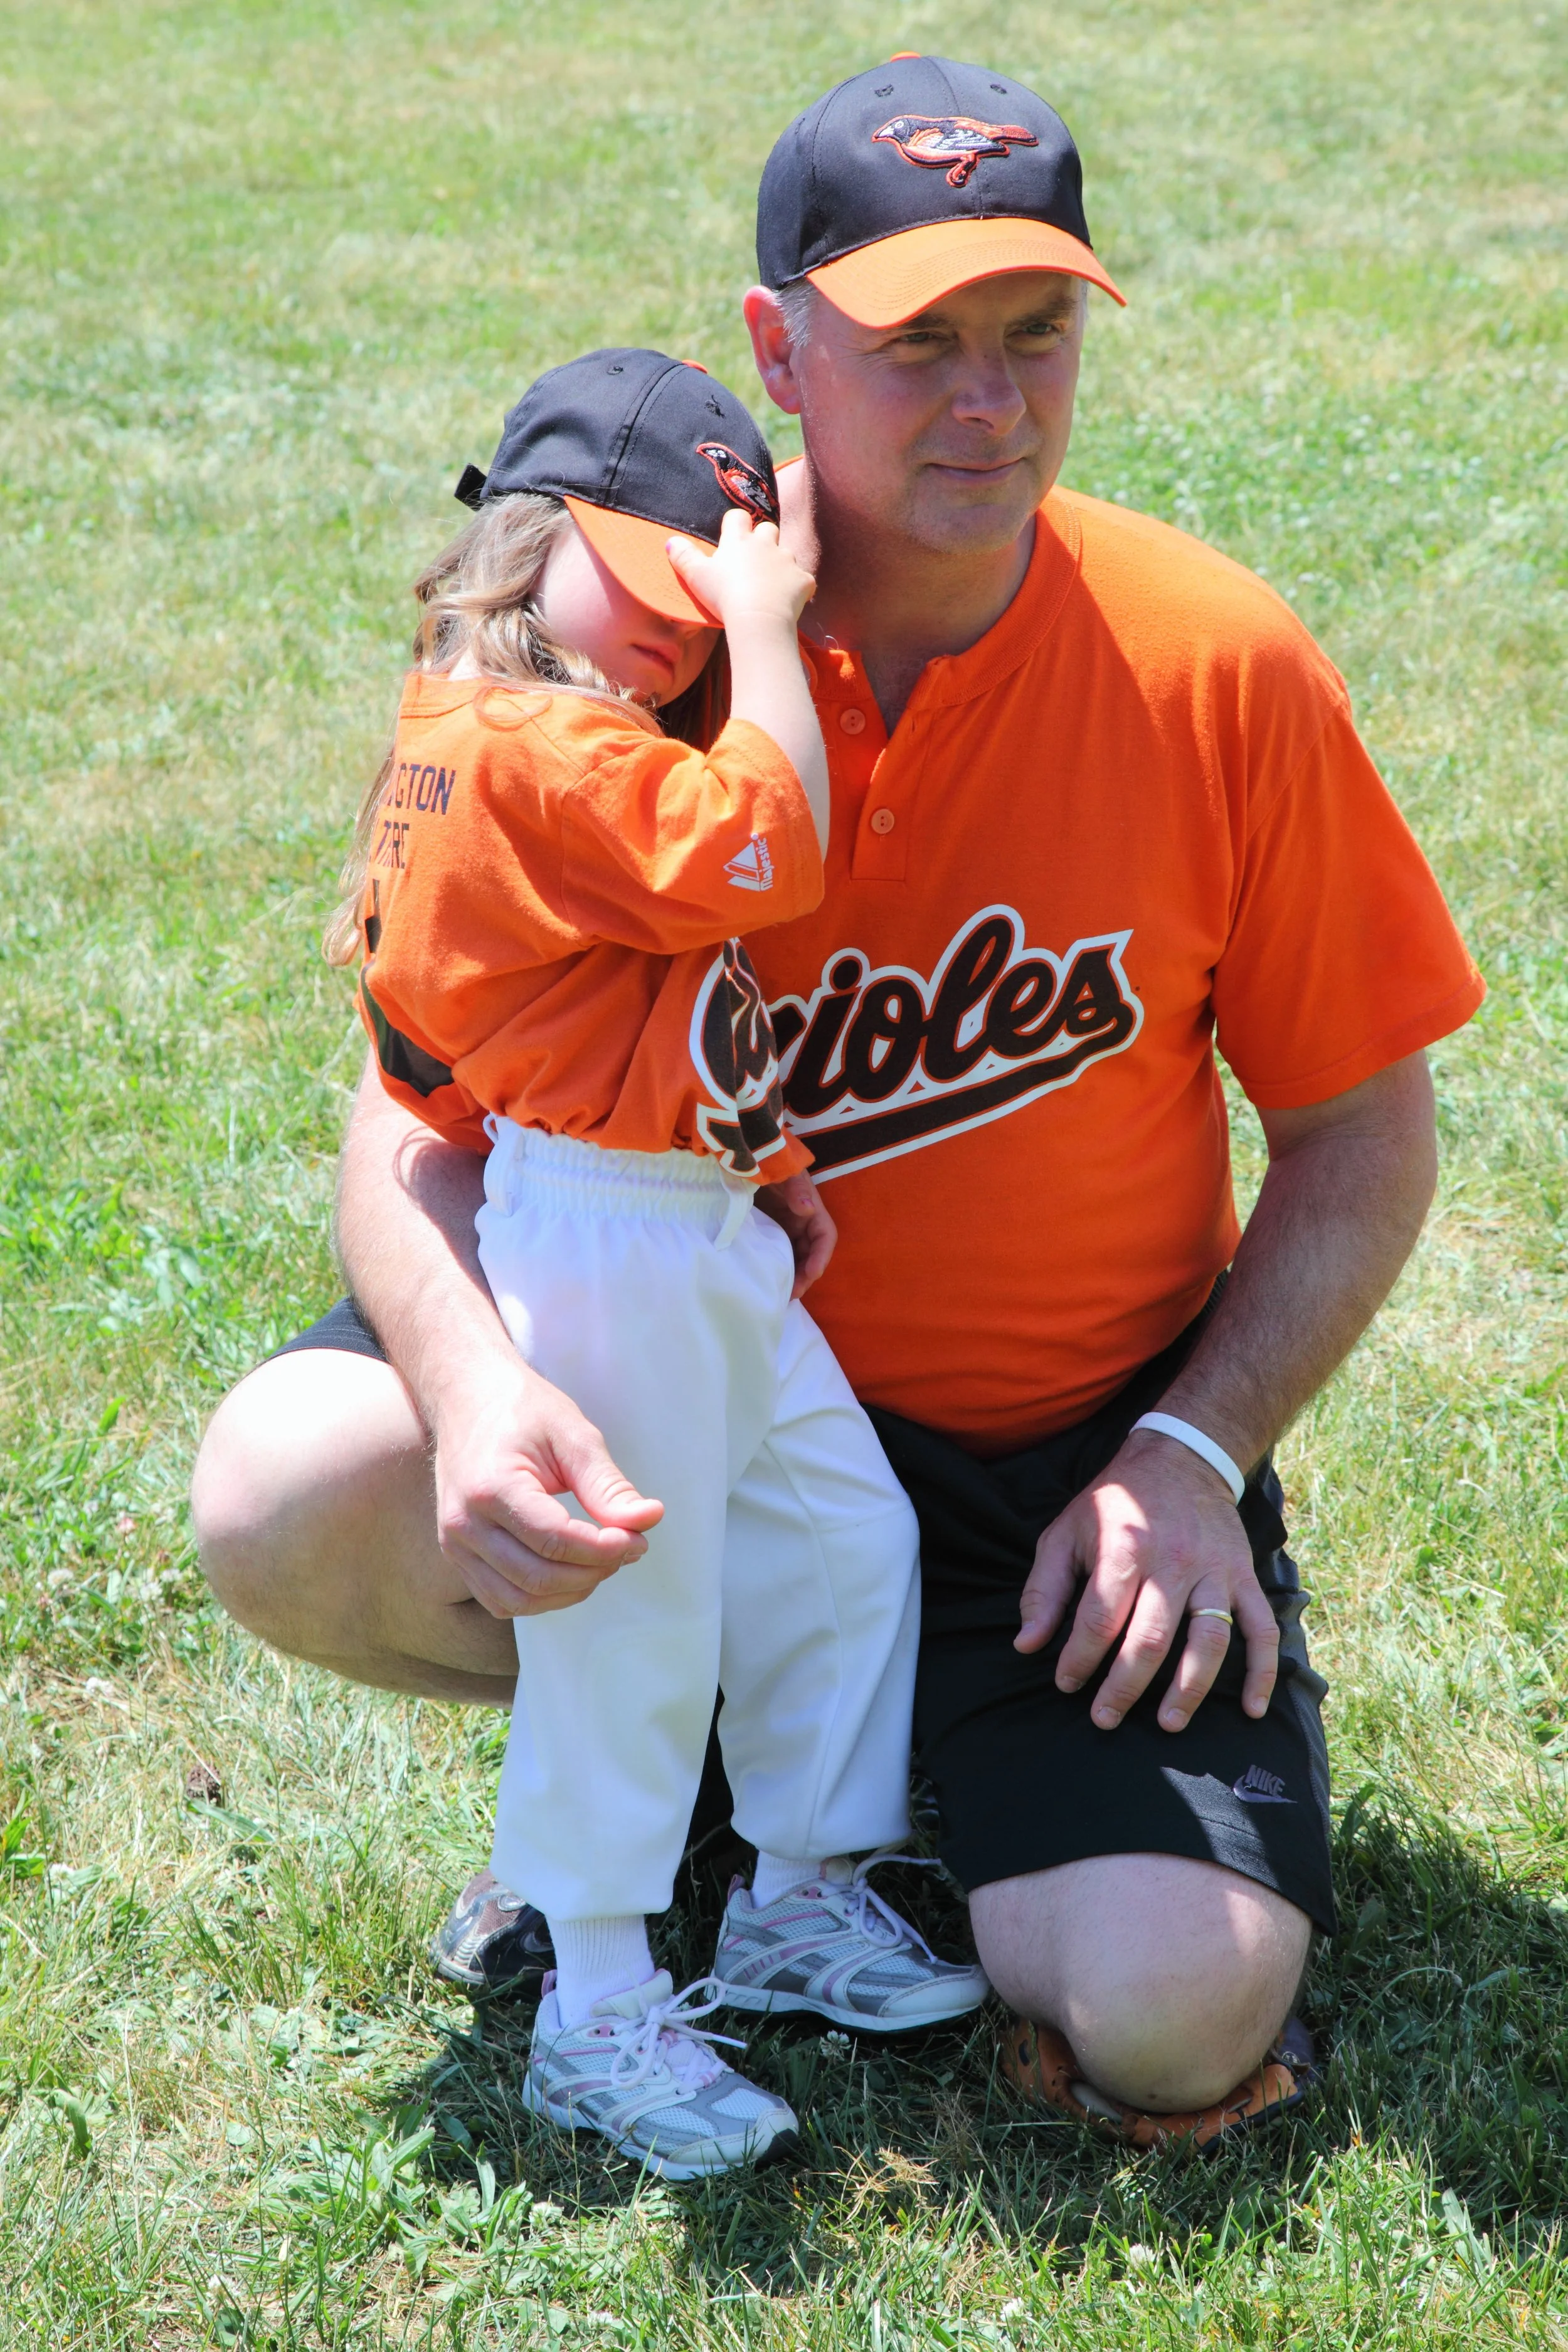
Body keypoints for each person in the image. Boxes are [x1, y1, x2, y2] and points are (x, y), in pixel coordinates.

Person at [193, 54, 1484, 2137]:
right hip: (653, 1395)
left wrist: (1188, 1451)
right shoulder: (631, 664)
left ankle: (799, 1792)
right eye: (916, 344)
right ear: (778, 352)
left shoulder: (1209, 662)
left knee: (1177, 2011)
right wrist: (477, 1387)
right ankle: (704, 1769)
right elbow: (413, 1107)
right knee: (287, 1480)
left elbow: (1363, 1133)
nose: (989, 401)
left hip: (1059, 1484)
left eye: (1033, 332)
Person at [326, 347, 987, 2178]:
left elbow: (595, 994)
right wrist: (773, 633)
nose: (699, 627)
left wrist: (758, 1153)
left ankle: (794, 1889)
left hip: (687, 1213)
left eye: (719, 596)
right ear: (530, 537)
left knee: (842, 1533)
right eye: (670, 575)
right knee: (633, 1614)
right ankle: (598, 1996)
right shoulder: (525, 735)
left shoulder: (533, 732)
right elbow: (763, 850)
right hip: (604, 1232)